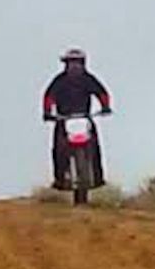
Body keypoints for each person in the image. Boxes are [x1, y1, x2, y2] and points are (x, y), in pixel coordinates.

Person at [42, 47, 113, 190]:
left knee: (95, 148)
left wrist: (105, 107)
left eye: (77, 63)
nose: (74, 66)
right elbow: (49, 97)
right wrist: (47, 112)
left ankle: (98, 178)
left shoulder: (88, 79)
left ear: (83, 63)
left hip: (84, 118)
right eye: (71, 63)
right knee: (58, 150)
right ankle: (60, 179)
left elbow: (102, 94)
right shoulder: (59, 81)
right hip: (63, 119)